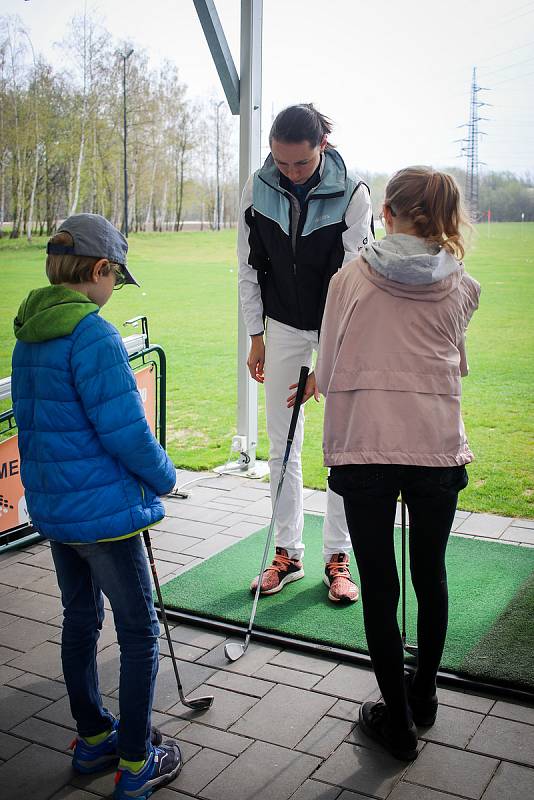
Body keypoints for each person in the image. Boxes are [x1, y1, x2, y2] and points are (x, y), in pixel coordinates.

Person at [11, 214, 182, 800]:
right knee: (139, 631)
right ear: (100, 269)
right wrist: (164, 477)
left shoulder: (28, 329)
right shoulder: (95, 336)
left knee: (80, 619)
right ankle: (136, 761)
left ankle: (92, 738)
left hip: (57, 513)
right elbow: (126, 435)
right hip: (104, 516)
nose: (115, 292)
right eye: (116, 279)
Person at [316, 166, 480, 761]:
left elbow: (328, 373)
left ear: (387, 213)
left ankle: (399, 722)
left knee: (382, 588)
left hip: (365, 448)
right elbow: (453, 362)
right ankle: (424, 696)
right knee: (428, 577)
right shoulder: (464, 285)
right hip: (435, 449)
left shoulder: (349, 280)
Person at [238, 103, 373, 603]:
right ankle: (287, 553)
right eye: (282, 163)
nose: (290, 173)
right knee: (282, 444)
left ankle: (337, 557)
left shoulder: (353, 194)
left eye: (301, 163)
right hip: (284, 327)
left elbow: (354, 283)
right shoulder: (258, 188)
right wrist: (257, 335)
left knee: (340, 447)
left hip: (339, 329)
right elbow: (248, 267)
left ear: (323, 147)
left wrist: (327, 361)